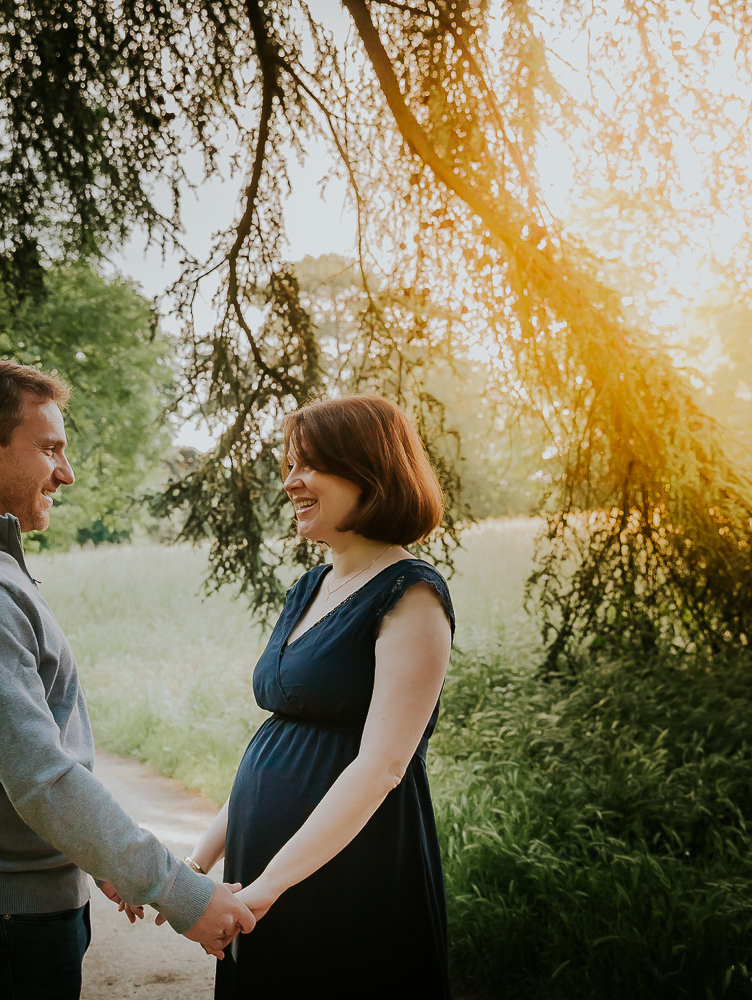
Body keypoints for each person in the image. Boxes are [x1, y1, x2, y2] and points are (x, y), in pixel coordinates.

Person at [0, 359, 255, 1000]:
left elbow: (24, 767)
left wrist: (100, 858)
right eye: (50, 448)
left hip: (5, 914)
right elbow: (44, 779)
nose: (66, 471)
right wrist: (186, 894)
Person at [191, 394, 456, 998]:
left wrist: (266, 889)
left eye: (308, 465)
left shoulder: (411, 595)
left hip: (347, 868)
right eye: (288, 466)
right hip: (264, 857)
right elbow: (283, 742)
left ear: (369, 473)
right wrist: (199, 862)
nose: (291, 482)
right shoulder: (310, 586)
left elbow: (382, 767)